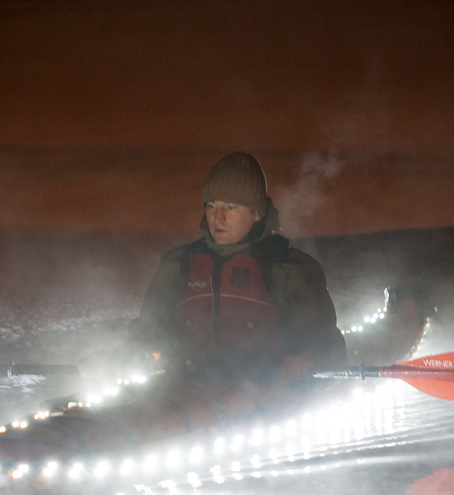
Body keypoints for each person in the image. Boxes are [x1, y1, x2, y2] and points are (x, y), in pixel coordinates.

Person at [127, 152, 346, 384]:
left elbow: (326, 345)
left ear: (256, 213)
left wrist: (308, 359)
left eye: (230, 207)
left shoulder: (290, 270)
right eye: (211, 205)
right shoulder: (179, 264)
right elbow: (146, 333)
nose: (217, 218)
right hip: (188, 390)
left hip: (265, 392)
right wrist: (120, 359)